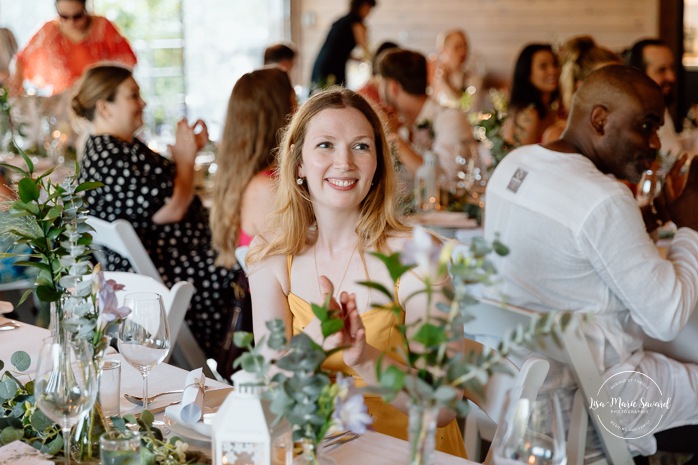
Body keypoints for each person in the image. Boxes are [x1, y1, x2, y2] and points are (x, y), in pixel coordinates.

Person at [484, 64, 698, 460]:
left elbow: (582, 245)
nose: (654, 143)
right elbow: (668, 316)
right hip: (601, 401)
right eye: (647, 126)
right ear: (600, 119)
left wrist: (654, 216)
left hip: (522, 383)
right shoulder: (603, 197)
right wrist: (689, 228)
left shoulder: (516, 164)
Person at [246, 87, 467, 458]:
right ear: (298, 163)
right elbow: (271, 388)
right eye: (325, 145)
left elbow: (442, 408)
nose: (344, 162)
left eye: (361, 146)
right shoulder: (270, 253)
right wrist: (316, 338)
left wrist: (363, 355)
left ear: (378, 162)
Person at [73, 65, 236, 367]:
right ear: (104, 107)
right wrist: (186, 160)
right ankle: (238, 364)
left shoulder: (121, 148)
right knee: (245, 266)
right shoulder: (109, 158)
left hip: (171, 258)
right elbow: (171, 209)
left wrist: (187, 153)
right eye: (133, 96)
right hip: (165, 273)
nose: (143, 103)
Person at [209, 67, 296, 378]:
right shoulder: (265, 187)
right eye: (293, 99)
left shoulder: (254, 179)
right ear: (282, 112)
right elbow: (298, 258)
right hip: (277, 323)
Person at [378, 48, 474, 177]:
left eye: (380, 82)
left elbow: (443, 180)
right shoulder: (400, 126)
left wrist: (395, 141)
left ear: (393, 87)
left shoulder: (451, 119)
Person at [9, 0, 137, 96]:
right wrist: (17, 81)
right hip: (63, 105)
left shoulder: (103, 27)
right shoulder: (49, 30)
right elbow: (22, 58)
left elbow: (128, 60)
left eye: (77, 16)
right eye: (64, 17)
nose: (71, 22)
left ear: (85, 10)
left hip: (100, 100)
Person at [542, 36, 620, 143]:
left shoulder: (625, 131)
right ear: (581, 86)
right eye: (607, 82)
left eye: (620, 79)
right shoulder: (560, 135)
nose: (617, 89)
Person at [626, 38, 682, 162]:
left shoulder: (659, 104)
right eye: (661, 70)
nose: (671, 77)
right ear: (639, 74)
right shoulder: (636, 114)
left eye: (672, 68)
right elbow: (671, 158)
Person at [502, 43, 560, 147]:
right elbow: (524, 159)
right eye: (543, 66)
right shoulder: (529, 115)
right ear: (527, 73)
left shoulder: (549, 111)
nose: (553, 71)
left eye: (555, 64)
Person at [310, 0, 376, 91]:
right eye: (369, 9)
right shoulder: (355, 22)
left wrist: (356, 59)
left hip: (324, 62)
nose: (368, 13)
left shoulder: (343, 20)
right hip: (332, 67)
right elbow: (364, 47)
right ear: (363, 6)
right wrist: (374, 60)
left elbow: (340, 48)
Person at [427, 29, 483, 110]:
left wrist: (447, 84)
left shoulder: (472, 79)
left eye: (465, 46)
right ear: (443, 50)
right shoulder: (431, 74)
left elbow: (470, 109)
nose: (463, 52)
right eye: (457, 47)